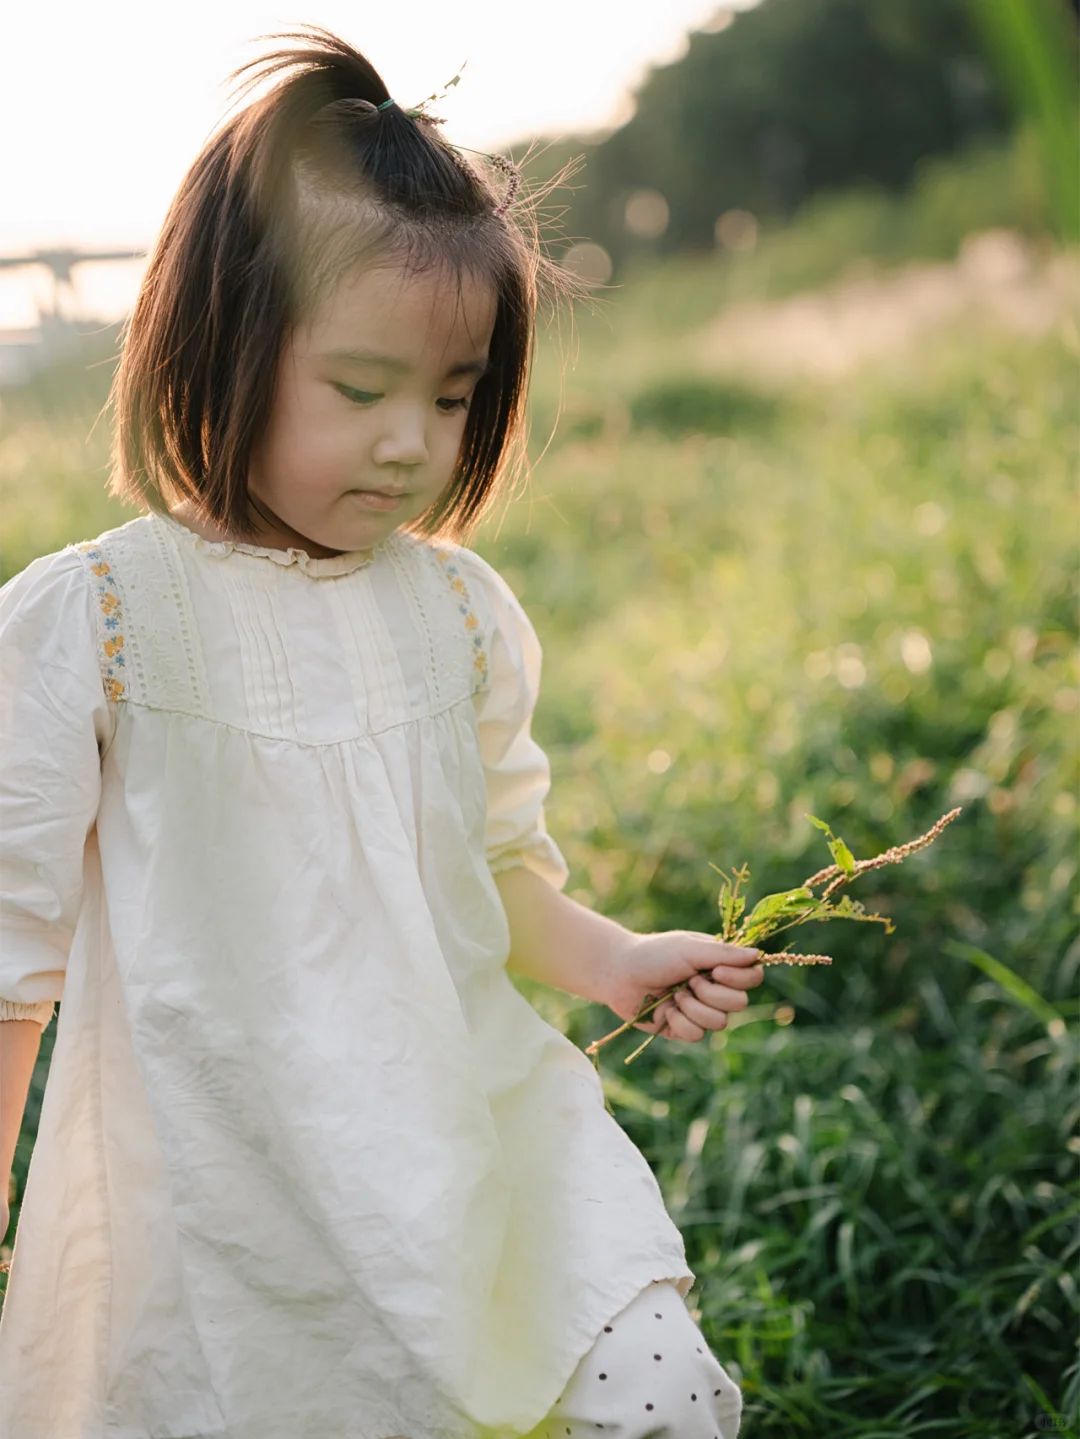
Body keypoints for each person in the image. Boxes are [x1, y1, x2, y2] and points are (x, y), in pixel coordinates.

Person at [0, 29, 762, 1439]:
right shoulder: (100, 623)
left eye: (453, 396)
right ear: (222, 339)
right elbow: (8, 971)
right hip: (227, 1185)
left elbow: (494, 877)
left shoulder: (460, 615)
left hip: (463, 1126)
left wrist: (612, 960)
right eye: (361, 390)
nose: (413, 440)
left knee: (655, 1386)